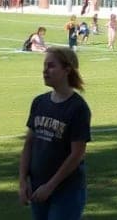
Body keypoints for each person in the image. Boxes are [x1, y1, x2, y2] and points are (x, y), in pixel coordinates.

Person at [19, 47, 91, 219]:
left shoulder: (78, 108)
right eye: (44, 66)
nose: (45, 70)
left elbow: (77, 154)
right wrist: (23, 181)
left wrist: (50, 186)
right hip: (38, 187)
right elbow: (29, 144)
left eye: (51, 66)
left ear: (67, 70)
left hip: (67, 191)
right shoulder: (39, 102)